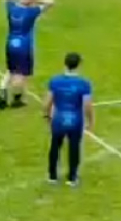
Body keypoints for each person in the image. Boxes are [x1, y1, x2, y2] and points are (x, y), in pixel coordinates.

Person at [0, 0, 55, 109]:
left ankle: (2, 91)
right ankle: (17, 100)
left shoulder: (12, 8)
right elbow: (51, 2)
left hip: (11, 43)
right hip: (24, 46)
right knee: (22, 74)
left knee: (10, 69)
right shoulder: (31, 12)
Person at [44, 52, 93, 186]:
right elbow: (87, 104)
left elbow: (48, 101)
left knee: (55, 146)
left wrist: (47, 115)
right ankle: (72, 178)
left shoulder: (55, 81)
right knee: (74, 148)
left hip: (58, 118)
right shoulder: (84, 84)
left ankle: (52, 176)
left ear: (65, 64)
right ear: (79, 65)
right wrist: (90, 120)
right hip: (75, 120)